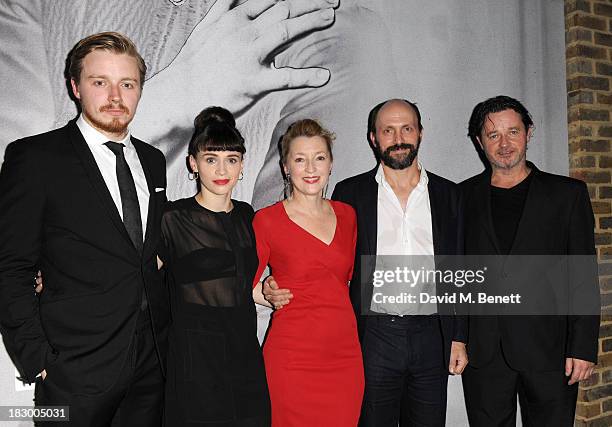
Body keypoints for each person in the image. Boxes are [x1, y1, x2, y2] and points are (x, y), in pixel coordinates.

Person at [0, 32, 168, 425]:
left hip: (152, 365)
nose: (115, 96)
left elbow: (142, 252)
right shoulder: (35, 158)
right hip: (72, 370)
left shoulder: (153, 160)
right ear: (75, 87)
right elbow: (9, 266)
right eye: (100, 82)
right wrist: (38, 360)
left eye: (127, 84)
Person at [310, 98, 466, 426]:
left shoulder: (448, 194)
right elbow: (332, 265)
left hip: (431, 336)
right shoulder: (350, 193)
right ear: (373, 138)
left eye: (406, 128)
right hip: (373, 336)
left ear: (420, 133)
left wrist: (459, 337)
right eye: (388, 130)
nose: (398, 138)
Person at [461, 95, 600, 426]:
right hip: (485, 353)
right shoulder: (461, 197)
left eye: (513, 131)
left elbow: (581, 276)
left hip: (550, 350)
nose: (504, 143)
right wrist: (457, 338)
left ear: (529, 133)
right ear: (480, 142)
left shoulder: (567, 195)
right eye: (493, 135)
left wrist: (582, 347)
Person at [158, 106, 270, 426]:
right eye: (211, 159)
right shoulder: (172, 218)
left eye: (231, 159)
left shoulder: (249, 217)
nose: (222, 169)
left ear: (242, 165)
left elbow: (243, 281)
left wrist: (268, 291)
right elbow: (134, 274)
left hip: (245, 352)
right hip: (195, 361)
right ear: (193, 164)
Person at [252, 119, 364, 426]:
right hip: (291, 360)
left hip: (345, 358)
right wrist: (268, 293)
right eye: (300, 159)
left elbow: (349, 281)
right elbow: (240, 284)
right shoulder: (267, 220)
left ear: (330, 163)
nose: (311, 168)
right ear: (286, 167)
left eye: (319, 158)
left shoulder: (348, 215)